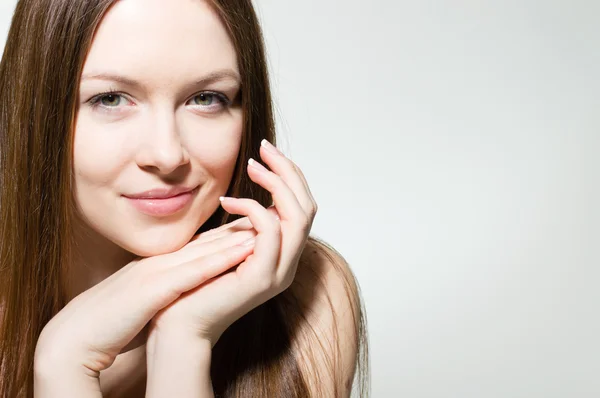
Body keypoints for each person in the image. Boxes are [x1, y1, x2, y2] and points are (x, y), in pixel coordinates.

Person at [0, 0, 369, 397]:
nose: (167, 154)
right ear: (34, 109)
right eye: (110, 98)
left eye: (206, 98)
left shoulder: (303, 295)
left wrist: (181, 342)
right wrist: (66, 362)